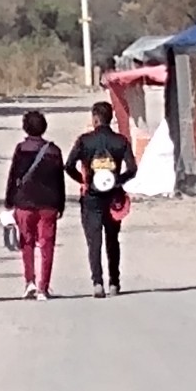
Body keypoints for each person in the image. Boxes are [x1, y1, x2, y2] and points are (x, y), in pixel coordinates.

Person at [65, 101, 137, 298]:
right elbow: (132, 169)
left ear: (95, 118)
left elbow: (69, 165)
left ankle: (98, 282)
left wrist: (84, 179)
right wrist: (117, 181)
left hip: (91, 197)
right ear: (111, 118)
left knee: (94, 241)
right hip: (114, 197)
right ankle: (114, 282)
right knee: (112, 240)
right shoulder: (121, 141)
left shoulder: (84, 141)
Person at [4, 111, 66, 300]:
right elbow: (59, 181)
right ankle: (43, 287)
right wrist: (61, 204)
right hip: (48, 204)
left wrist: (9, 201)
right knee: (47, 245)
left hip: (24, 203)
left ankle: (29, 281)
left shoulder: (21, 149)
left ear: (25, 127)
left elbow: (13, 176)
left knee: (27, 243)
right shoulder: (54, 151)